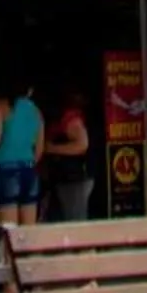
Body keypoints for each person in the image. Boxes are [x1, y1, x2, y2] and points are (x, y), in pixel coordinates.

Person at [0, 79, 44, 227]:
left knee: (9, 231)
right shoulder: (36, 111)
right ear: (29, 90)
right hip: (29, 170)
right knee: (28, 231)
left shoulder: (1, 107)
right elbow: (39, 150)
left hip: (6, 170)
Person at [39, 91, 92, 223]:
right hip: (62, 178)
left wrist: (52, 149)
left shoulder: (70, 120)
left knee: (75, 220)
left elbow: (82, 145)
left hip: (75, 178)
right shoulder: (60, 120)